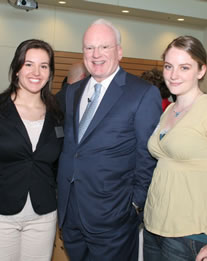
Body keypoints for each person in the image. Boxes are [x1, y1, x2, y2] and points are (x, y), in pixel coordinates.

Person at [57, 18, 162, 261]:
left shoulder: (143, 93)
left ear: (119, 51)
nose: (96, 54)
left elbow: (147, 156)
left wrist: (135, 205)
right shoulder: (73, 91)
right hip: (71, 214)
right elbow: (74, 147)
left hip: (114, 218)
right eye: (89, 47)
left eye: (104, 47)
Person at [143, 36, 207, 261]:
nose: (174, 74)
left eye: (184, 67)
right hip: (154, 228)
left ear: (201, 70)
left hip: (192, 235)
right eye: (169, 66)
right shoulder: (168, 111)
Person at [0, 39, 64, 261]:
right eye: (28, 64)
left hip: (43, 215)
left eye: (44, 66)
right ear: (16, 69)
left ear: (50, 72)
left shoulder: (58, 115)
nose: (36, 72)